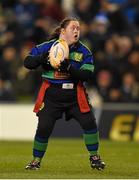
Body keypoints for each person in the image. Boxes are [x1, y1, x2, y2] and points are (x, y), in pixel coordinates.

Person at [24, 17, 105, 171]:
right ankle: (36, 161)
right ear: (63, 31)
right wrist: (43, 59)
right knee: (43, 128)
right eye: (73, 28)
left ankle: (95, 158)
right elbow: (27, 62)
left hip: (75, 94)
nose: (76, 31)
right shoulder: (48, 47)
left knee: (89, 123)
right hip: (52, 95)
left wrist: (69, 68)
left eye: (78, 28)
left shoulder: (84, 51)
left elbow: (87, 75)